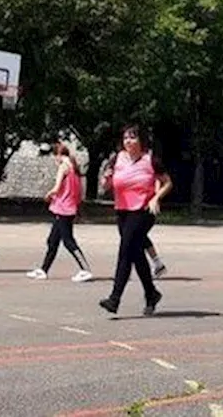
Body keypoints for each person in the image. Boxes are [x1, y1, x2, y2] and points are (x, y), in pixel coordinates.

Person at [99, 125, 173, 316]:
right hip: (122, 211)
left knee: (125, 251)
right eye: (125, 138)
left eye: (132, 138)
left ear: (141, 140)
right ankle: (151, 293)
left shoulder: (151, 160)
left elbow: (167, 182)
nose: (128, 141)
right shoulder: (117, 159)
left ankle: (114, 299)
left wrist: (156, 197)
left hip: (143, 211)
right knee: (136, 253)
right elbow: (107, 184)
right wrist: (105, 180)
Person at [27, 140, 93, 282]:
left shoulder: (64, 167)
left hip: (63, 208)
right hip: (68, 207)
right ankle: (44, 269)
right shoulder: (74, 167)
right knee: (52, 240)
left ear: (57, 155)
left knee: (68, 241)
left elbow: (56, 188)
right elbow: (79, 191)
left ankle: (85, 269)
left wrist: (48, 195)